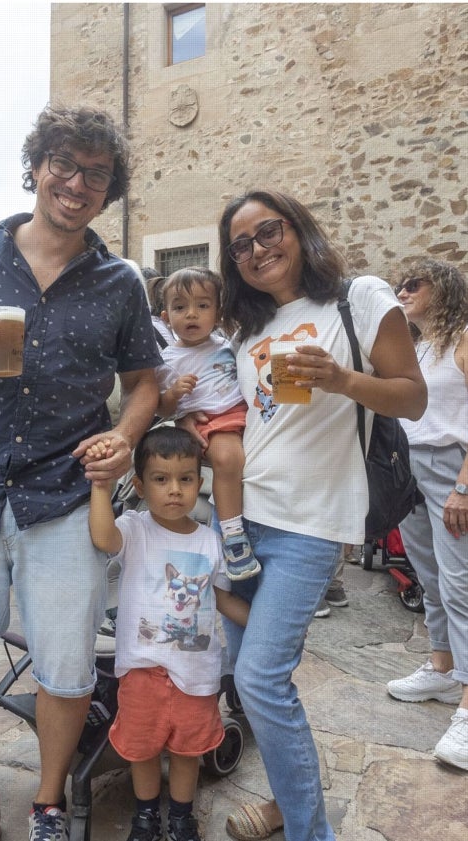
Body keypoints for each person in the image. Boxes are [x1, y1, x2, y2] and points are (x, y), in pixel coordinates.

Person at [0, 105, 161, 841]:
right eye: (64, 164)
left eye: (96, 174)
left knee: (67, 669)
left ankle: (48, 800)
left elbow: (145, 379)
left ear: (108, 191)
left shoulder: (119, 283)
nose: (76, 183)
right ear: (37, 165)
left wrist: (123, 432)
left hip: (63, 500)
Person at [182, 189, 426, 841]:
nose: (257, 249)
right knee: (247, 677)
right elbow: (247, 418)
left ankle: (308, 828)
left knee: (261, 677)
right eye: (240, 244)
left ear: (297, 229)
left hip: (310, 523)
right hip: (238, 519)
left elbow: (410, 397)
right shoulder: (247, 329)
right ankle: (291, 798)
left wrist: (344, 380)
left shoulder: (360, 297)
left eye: (268, 231)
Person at [88, 426, 249, 841]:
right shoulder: (135, 528)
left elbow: (222, 600)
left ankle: (181, 817)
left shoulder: (212, 543)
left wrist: (263, 624)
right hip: (142, 668)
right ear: (140, 485)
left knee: (187, 751)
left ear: (200, 481)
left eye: (186, 479)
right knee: (141, 750)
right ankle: (146, 816)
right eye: (160, 480)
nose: (174, 490)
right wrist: (102, 488)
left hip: (195, 673)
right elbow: (103, 537)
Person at [386, 258, 468, 771]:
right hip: (410, 468)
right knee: (431, 577)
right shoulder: (414, 346)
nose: (402, 291)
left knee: (461, 584)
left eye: (413, 283)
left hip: (451, 468)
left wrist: (463, 486)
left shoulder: (463, 338)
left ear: (445, 289)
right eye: (399, 284)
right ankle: (442, 665)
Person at [156, 267, 259, 581]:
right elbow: (161, 407)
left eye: (202, 305)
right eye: (180, 307)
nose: (191, 314)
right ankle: (233, 538)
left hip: (245, 414)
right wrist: (174, 395)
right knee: (229, 459)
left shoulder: (227, 343)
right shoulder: (168, 360)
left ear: (218, 312)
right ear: (165, 317)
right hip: (213, 420)